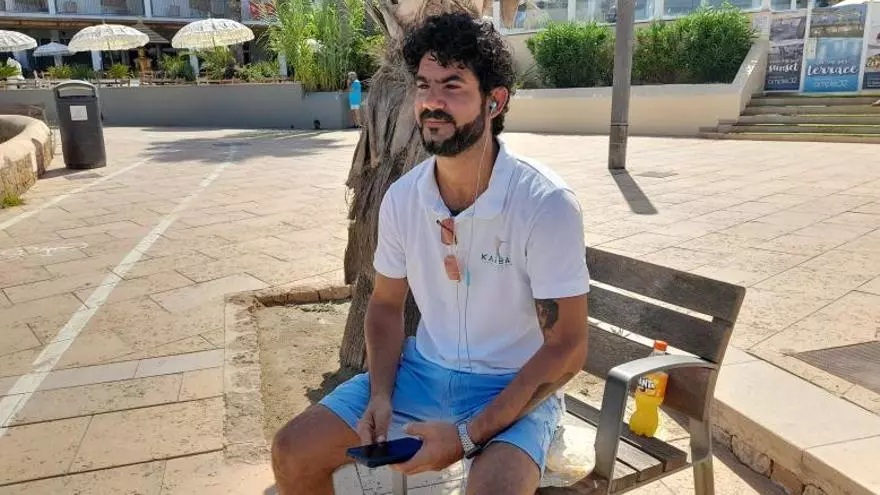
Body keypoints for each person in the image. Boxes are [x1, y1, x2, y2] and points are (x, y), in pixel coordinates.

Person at [272, 13, 589, 495]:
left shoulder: (543, 202)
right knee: (292, 451)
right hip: (420, 375)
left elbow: (567, 347)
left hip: (513, 387)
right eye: (424, 85)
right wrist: (380, 394)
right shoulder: (403, 198)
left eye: (453, 85)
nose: (432, 102)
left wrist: (465, 437)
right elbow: (384, 305)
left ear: (495, 101)